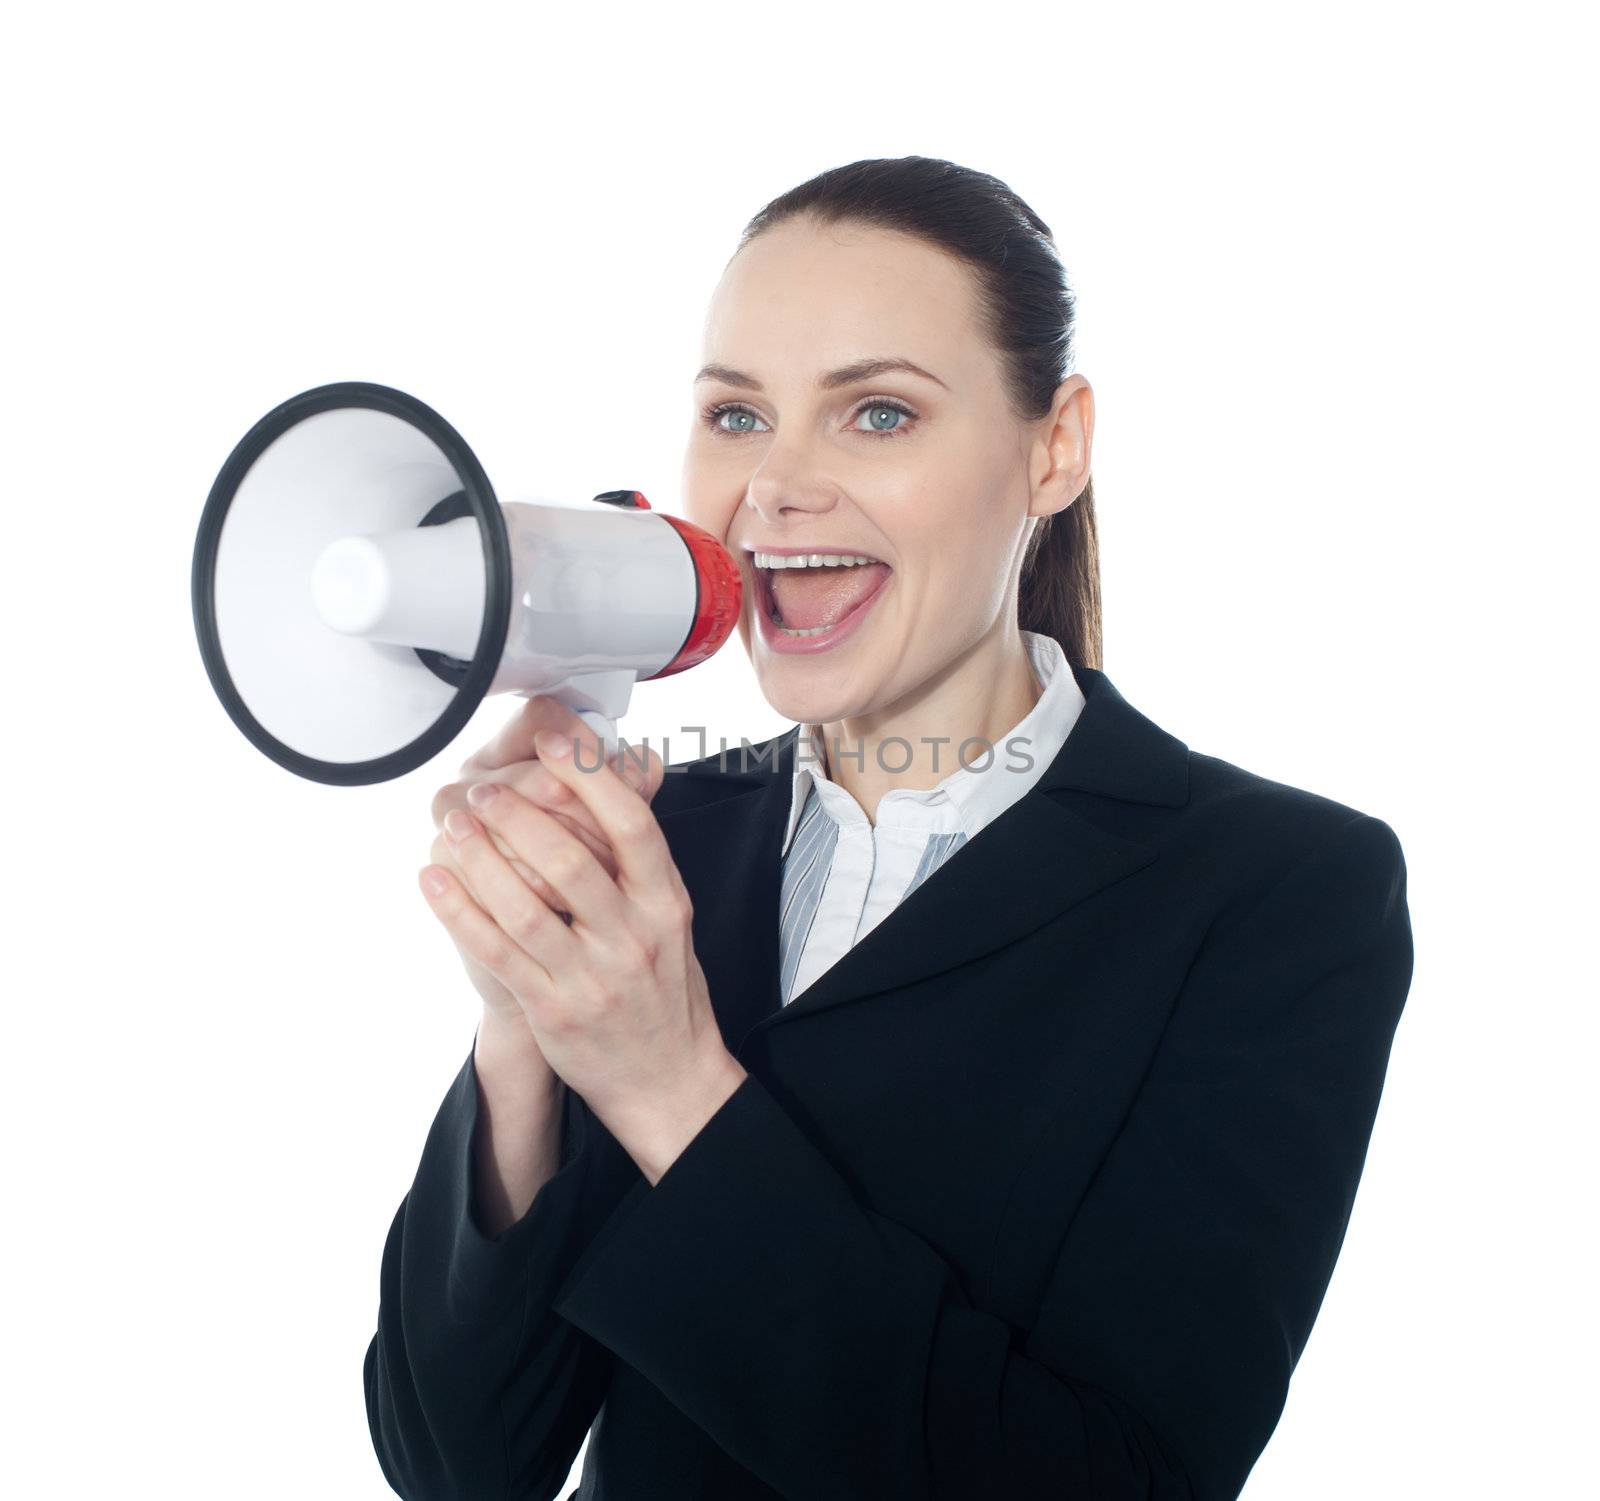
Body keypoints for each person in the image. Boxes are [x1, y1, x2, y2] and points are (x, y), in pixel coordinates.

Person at [363, 155, 1414, 1501]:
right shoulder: (661, 839)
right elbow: (458, 1465)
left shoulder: (1277, 892)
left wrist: (665, 1081)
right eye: (736, 417)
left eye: (875, 413)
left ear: (1055, 446)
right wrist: (525, 1028)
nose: (778, 487)